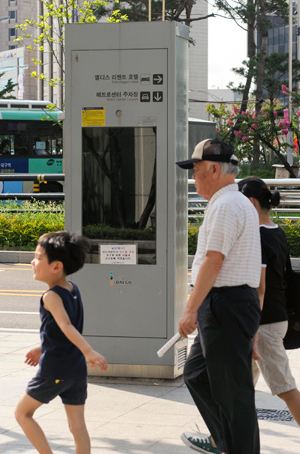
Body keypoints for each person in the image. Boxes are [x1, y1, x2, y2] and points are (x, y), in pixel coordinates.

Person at [176, 139, 262, 454]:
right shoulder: (234, 202)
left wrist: (190, 309)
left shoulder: (227, 204)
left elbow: (215, 260)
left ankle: (237, 447)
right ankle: (224, 442)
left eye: (196, 171)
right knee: (197, 373)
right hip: (228, 304)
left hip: (226, 304)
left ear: (214, 169)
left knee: (233, 394)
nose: (193, 178)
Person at [14, 231, 107, 454]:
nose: (32, 262)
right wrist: (41, 347)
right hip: (76, 371)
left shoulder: (51, 296)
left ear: (56, 267)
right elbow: (62, 329)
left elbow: (66, 326)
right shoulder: (73, 289)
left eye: (37, 257)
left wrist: (89, 351)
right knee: (78, 427)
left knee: (22, 414)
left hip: (55, 369)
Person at [238, 177, 300, 425]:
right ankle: (220, 439)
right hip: (275, 317)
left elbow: (260, 288)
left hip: (263, 325)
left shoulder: (258, 237)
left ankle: (219, 438)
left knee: (285, 387)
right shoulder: (278, 232)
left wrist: (252, 330)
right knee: (240, 389)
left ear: (251, 202)